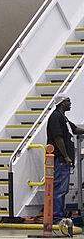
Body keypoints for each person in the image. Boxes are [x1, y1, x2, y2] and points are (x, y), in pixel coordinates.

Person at [46, 92, 84, 221]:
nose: (70, 103)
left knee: (63, 190)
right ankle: (56, 218)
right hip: (60, 160)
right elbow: (58, 138)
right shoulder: (56, 117)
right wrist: (66, 156)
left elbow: (75, 130)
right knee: (58, 190)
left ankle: (60, 216)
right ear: (62, 103)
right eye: (68, 101)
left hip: (64, 161)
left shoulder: (64, 118)